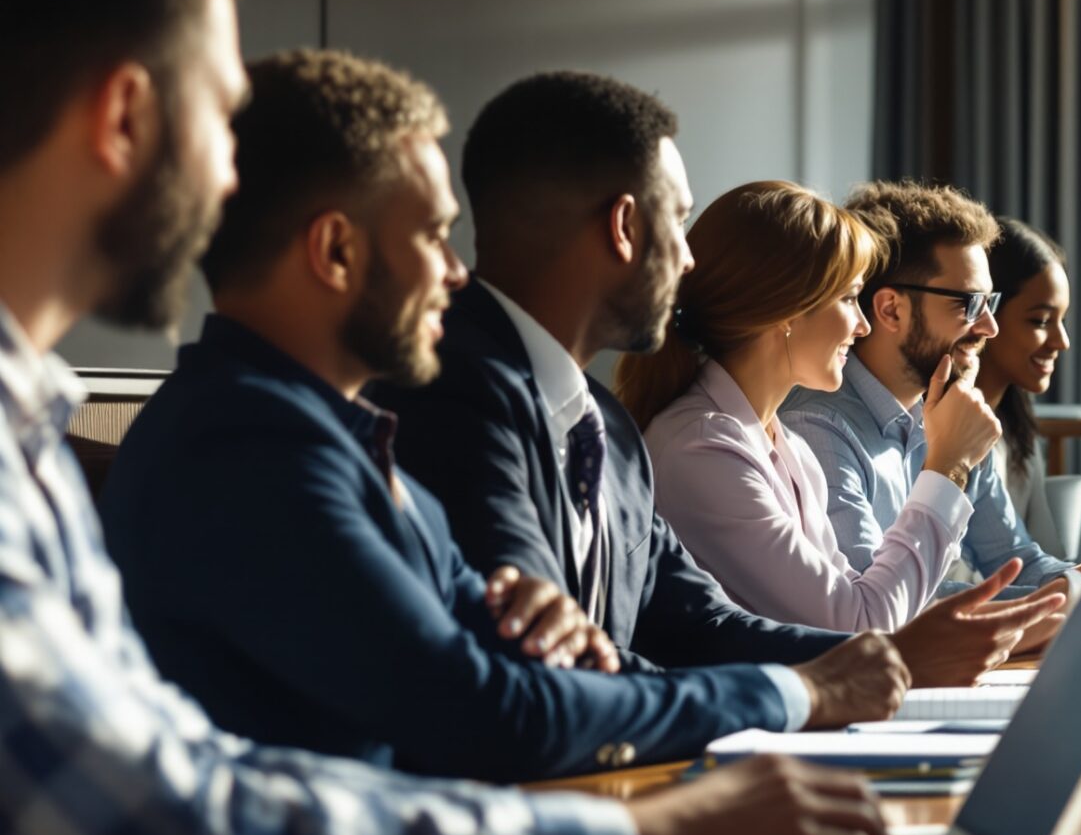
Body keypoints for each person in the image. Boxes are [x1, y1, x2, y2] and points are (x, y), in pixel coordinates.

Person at [0, 0, 906, 835]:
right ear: (123, 117)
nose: (231, 179)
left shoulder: (39, 432)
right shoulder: (226, 438)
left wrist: (561, 717)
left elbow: (206, 776)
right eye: (221, 117)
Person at [107, 52, 907, 781]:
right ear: (336, 252)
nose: (457, 271)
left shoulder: (351, 445)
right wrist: (790, 696)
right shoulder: (251, 446)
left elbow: (538, 674)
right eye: (434, 234)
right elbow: (500, 710)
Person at [370, 76, 1054, 691]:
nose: (690, 258)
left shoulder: (608, 427)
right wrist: (871, 662)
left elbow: (699, 623)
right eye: (678, 221)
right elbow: (544, 679)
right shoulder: (465, 402)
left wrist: (883, 661)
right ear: (624, 226)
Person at [616, 180, 981, 633]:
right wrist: (947, 469)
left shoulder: (786, 447)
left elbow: (862, 601)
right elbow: (863, 624)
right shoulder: (703, 448)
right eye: (849, 298)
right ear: (788, 309)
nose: (863, 325)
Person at [780, 181, 1081, 611]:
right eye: (969, 304)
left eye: (990, 303)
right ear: (891, 310)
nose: (989, 328)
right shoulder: (818, 427)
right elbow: (888, 608)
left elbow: (1018, 562)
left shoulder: (953, 411)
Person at [974, 217, 1076, 559]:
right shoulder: (928, 432)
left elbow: (1046, 557)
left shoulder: (1019, 437)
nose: (1062, 342)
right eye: (1040, 321)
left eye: (1062, 321)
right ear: (985, 314)